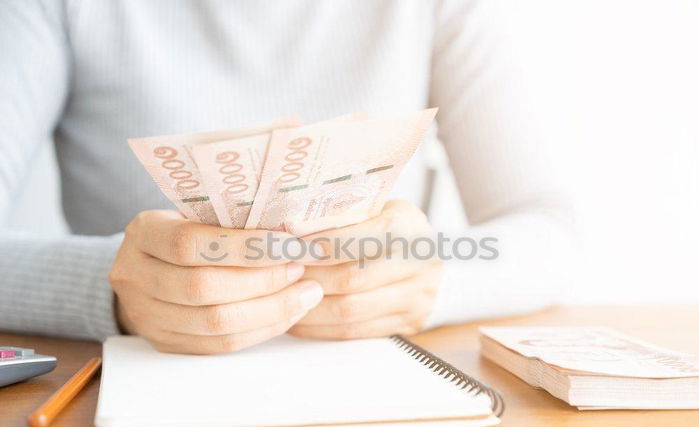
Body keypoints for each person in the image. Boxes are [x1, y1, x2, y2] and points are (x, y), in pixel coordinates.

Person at [0, 0, 573, 354]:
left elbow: (550, 230)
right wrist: (115, 289)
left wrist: (434, 277)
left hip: (377, 374)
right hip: (152, 373)